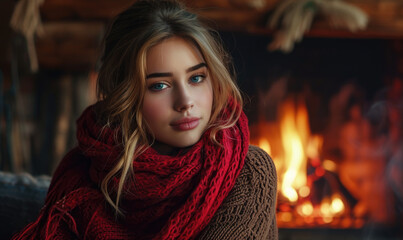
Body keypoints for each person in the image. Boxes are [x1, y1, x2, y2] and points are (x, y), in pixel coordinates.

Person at [13, 0, 278, 239]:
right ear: (125, 95)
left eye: (196, 78)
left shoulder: (249, 172)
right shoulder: (80, 177)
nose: (185, 101)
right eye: (159, 86)